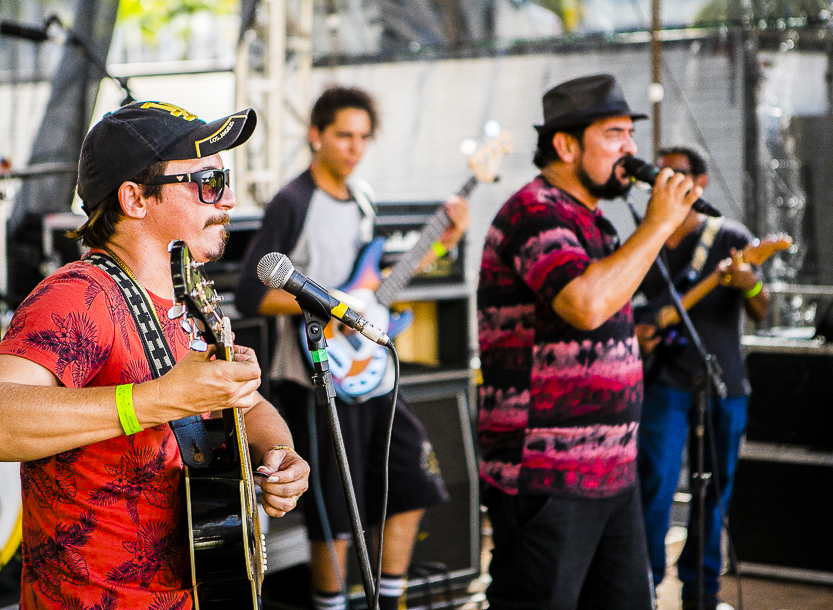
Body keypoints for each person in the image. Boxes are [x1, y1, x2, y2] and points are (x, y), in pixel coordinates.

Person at [0, 101, 310, 609]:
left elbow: (245, 404)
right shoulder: (79, 295)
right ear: (135, 198)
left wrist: (279, 453)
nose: (227, 198)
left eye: (224, 179)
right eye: (207, 181)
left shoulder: (191, 295)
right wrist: (156, 400)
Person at [234, 86, 469, 610]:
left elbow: (373, 286)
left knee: (412, 483)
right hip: (316, 376)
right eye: (344, 135)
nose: (354, 147)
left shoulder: (362, 198)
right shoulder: (293, 201)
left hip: (371, 373)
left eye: (363, 137)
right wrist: (324, 304)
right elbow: (252, 293)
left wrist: (441, 245)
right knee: (335, 515)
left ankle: (390, 600)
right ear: (316, 135)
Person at [476, 73, 705, 610]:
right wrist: (659, 226)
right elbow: (585, 305)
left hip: (611, 471)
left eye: (631, 133)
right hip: (547, 475)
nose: (630, 149)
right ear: (565, 145)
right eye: (614, 134)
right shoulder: (534, 211)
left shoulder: (594, 223)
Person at [634, 145, 768, 610]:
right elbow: (621, 302)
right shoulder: (646, 237)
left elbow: (761, 308)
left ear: (701, 182)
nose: (664, 179)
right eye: (658, 173)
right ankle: (644, 588)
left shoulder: (729, 235)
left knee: (713, 492)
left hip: (722, 383)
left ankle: (702, 593)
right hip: (663, 382)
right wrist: (639, 330)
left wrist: (748, 283)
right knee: (656, 485)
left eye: (675, 172)